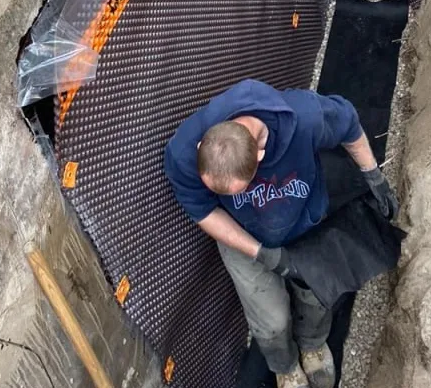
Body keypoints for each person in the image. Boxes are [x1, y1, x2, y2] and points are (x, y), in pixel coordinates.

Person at [164, 78, 399, 388]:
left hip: (305, 220)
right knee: (272, 322)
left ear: (260, 156)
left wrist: (374, 176)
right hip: (242, 235)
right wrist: (262, 253)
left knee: (317, 294)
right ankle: (285, 365)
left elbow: (349, 123)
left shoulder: (304, 117)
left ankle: (313, 344)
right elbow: (205, 212)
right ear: (200, 147)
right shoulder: (183, 153)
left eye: (243, 188)